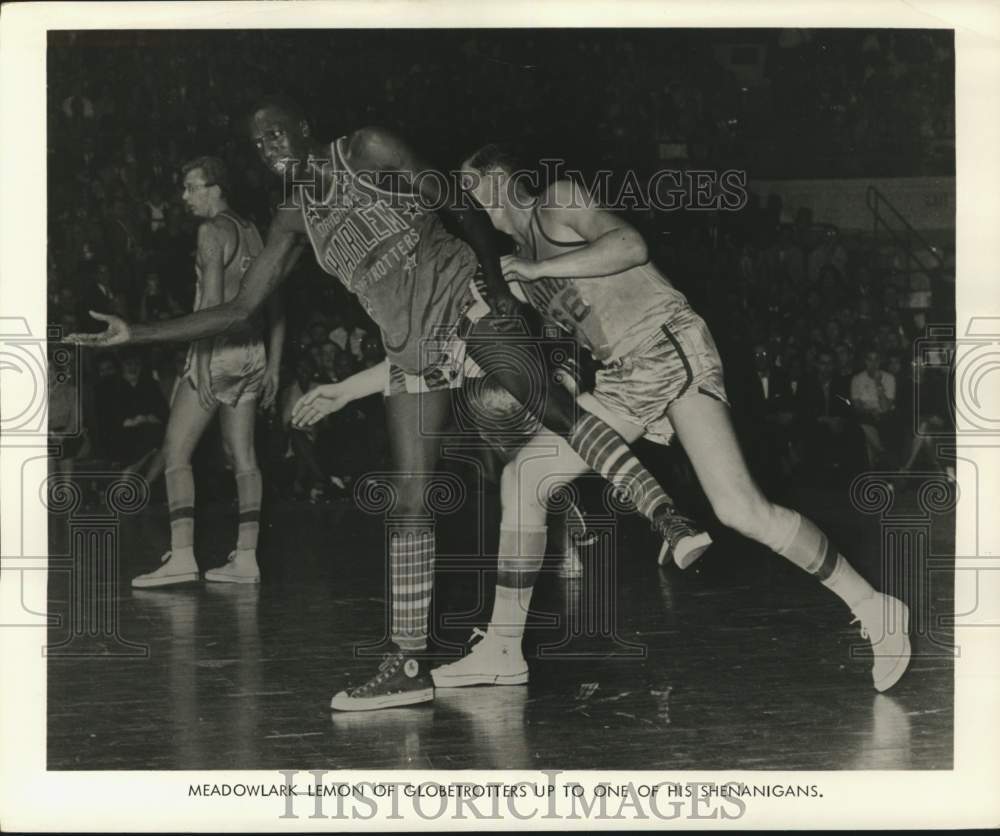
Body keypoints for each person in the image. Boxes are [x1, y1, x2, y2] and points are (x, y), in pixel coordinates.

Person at [69, 97, 704, 711]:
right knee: (408, 505)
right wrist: (136, 332)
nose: (268, 148)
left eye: (276, 133)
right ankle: (406, 667)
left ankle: (666, 517)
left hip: (462, 297)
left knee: (552, 409)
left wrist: (495, 284)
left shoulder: (365, 149)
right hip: (410, 347)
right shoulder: (293, 217)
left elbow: (455, 201)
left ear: (304, 127)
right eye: (258, 143)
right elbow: (239, 308)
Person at [421, 146, 911, 693]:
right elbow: (578, 328)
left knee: (741, 510)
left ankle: (874, 605)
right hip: (623, 374)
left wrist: (538, 269)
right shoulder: (519, 264)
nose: (467, 201)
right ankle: (503, 648)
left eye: (471, 186)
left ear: (498, 181)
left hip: (668, 344)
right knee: (525, 477)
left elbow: (631, 246)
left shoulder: (556, 202)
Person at [127, 156, 285, 588]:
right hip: (252, 352)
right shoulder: (253, 231)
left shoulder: (211, 231)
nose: (184, 196)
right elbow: (275, 305)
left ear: (215, 188)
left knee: (175, 452)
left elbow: (213, 307)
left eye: (191, 187)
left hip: (215, 352)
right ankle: (246, 559)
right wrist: (273, 364)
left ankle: (182, 557)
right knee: (243, 457)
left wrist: (197, 364)